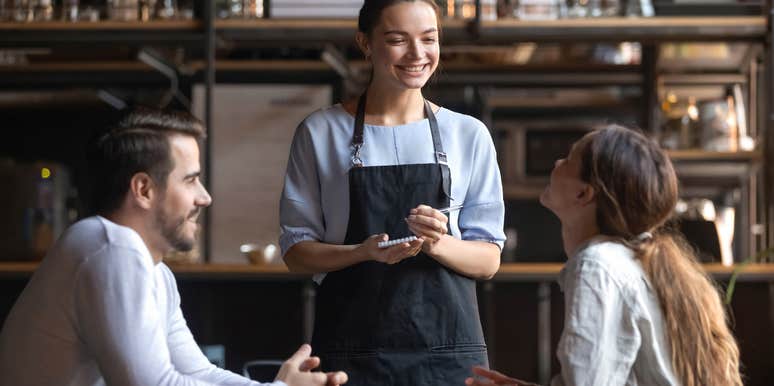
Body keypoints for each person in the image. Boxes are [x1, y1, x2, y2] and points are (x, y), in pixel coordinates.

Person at [0, 108, 347, 386]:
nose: (205, 197)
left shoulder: (154, 271)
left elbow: (197, 372)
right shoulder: (110, 246)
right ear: (143, 189)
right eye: (191, 179)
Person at [279, 0, 506, 384]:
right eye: (398, 40)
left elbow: (488, 260)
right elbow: (297, 253)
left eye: (429, 39)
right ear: (365, 43)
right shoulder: (320, 132)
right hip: (351, 351)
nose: (418, 54)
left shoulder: (468, 134)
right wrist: (361, 252)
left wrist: (438, 242)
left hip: (447, 354)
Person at [466, 125, 743, 386]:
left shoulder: (597, 265)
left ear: (584, 193)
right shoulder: (625, 260)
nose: (556, 164)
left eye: (569, 160)